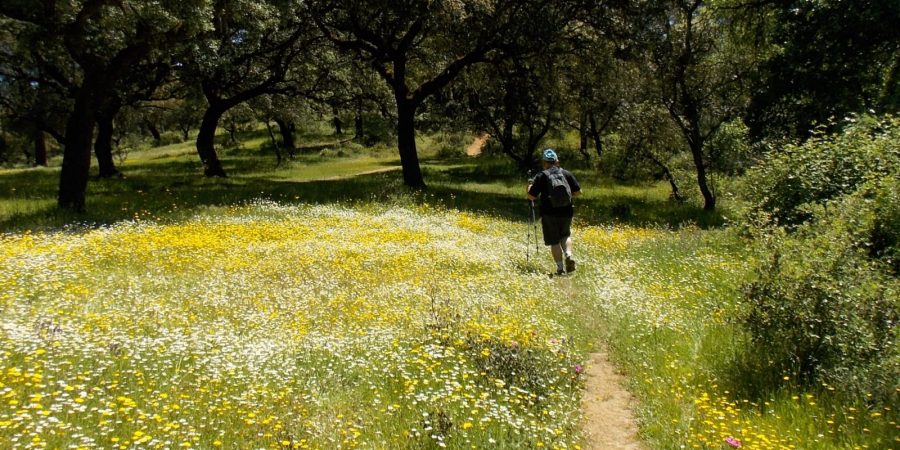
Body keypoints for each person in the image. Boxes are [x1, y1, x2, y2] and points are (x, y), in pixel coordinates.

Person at [527, 149, 582, 276]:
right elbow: (578, 192)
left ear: (544, 162)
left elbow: (531, 197)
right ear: (556, 161)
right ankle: (568, 254)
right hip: (567, 211)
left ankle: (560, 269)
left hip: (549, 213)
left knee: (554, 241)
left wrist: (529, 187)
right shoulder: (566, 173)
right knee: (565, 235)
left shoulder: (542, 176)